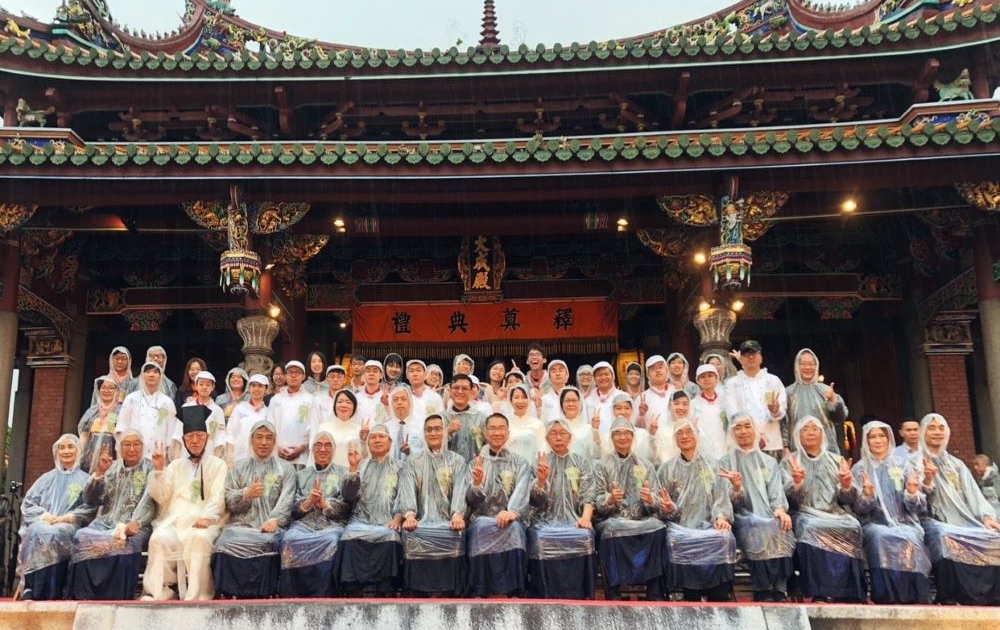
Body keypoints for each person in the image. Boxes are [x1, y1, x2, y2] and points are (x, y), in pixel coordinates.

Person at [143, 406, 228, 601]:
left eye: (199, 436)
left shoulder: (217, 465)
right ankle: (160, 593)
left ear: (207, 438)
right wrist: (158, 470)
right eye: (190, 437)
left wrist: (207, 517)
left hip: (206, 522)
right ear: (183, 441)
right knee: (158, 539)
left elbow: (218, 496)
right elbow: (162, 496)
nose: (195, 441)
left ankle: (198, 596)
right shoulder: (175, 465)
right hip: (176, 522)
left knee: (197, 538)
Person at [781, 416, 866, 603]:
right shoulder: (790, 461)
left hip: (834, 512)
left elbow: (847, 499)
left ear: (822, 433)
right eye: (805, 429)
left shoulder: (837, 460)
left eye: (815, 428)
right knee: (811, 527)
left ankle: (851, 591)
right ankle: (819, 591)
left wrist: (845, 485)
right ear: (797, 435)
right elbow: (787, 500)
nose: (811, 432)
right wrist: (796, 483)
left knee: (853, 526)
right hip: (804, 513)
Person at [919, 413, 1000, 605]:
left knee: (994, 537)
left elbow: (974, 495)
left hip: (964, 519)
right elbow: (914, 499)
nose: (937, 432)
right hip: (932, 520)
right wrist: (927, 481)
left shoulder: (957, 464)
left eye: (941, 428)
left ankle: (991, 596)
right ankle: (951, 594)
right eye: (932, 428)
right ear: (923, 432)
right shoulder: (914, 461)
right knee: (945, 536)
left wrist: (986, 516)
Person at [212, 419, 296, 598]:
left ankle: (263, 595)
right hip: (240, 526)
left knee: (268, 543)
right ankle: (227, 594)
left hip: (270, 527)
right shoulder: (238, 467)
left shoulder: (286, 469)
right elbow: (227, 499)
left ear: (274, 442)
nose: (264, 442)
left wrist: (274, 520)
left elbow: (287, 499)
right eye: (259, 437)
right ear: (251, 440)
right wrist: (245, 494)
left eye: (268, 438)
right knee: (223, 543)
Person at [67, 429, 155, 600]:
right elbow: (92, 499)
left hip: (137, 523)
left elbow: (149, 500)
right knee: (82, 536)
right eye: (127, 445)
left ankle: (118, 597)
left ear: (142, 447)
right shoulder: (112, 467)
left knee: (126, 542)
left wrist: (137, 521)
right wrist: (99, 474)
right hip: (106, 521)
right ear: (120, 448)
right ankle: (84, 594)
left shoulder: (149, 467)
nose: (131, 449)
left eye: (136, 444)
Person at [656, 420, 737, 602]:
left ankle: (719, 593)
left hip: (709, 523)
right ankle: (689, 593)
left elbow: (721, 496)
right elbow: (662, 507)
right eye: (680, 433)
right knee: (677, 540)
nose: (685, 436)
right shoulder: (667, 469)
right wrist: (669, 509)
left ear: (696, 436)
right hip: (681, 526)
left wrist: (721, 517)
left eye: (688, 432)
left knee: (724, 537)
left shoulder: (713, 465)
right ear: (675, 440)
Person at [851, 421, 931, 604]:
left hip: (905, 522)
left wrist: (911, 492)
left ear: (889, 439)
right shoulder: (860, 468)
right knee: (882, 538)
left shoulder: (903, 465)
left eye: (881, 436)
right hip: (874, 523)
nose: (877, 440)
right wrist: (868, 496)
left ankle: (915, 595)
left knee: (911, 538)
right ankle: (887, 596)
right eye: (872, 437)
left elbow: (919, 508)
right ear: (866, 441)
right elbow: (858, 509)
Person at [718, 412, 795, 602]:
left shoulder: (769, 462)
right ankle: (762, 588)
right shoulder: (725, 463)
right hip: (743, 518)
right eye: (738, 427)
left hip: (768, 515)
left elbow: (777, 493)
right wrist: (736, 488)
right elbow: (726, 502)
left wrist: (779, 509)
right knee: (757, 525)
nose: (743, 431)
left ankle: (779, 588)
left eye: (747, 426)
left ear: (755, 430)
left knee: (780, 525)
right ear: (731, 432)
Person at [592, 417, 665, 601]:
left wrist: (649, 499)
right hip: (612, 520)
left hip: (641, 519)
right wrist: (609, 500)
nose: (622, 437)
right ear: (611, 437)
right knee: (611, 530)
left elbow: (656, 499)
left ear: (633, 437)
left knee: (658, 527)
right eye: (617, 433)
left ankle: (654, 591)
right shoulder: (601, 465)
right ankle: (614, 591)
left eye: (626, 433)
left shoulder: (645, 465)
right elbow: (596, 500)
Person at [397, 414, 469, 595]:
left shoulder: (457, 460)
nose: (434, 433)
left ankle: (450, 591)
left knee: (455, 531)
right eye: (429, 430)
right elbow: (406, 488)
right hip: (421, 518)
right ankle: (417, 591)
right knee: (412, 531)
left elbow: (461, 488)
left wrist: (457, 514)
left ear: (445, 432)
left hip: (448, 518)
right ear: (424, 433)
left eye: (438, 429)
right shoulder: (414, 461)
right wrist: (410, 514)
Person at [16, 434, 93, 600]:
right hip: (46, 522)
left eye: (70, 446)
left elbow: (90, 507)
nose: (66, 451)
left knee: (56, 534)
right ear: (56, 452)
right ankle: (31, 588)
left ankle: (53, 589)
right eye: (62, 447)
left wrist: (68, 517)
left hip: (69, 525)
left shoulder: (86, 480)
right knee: (36, 530)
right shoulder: (46, 478)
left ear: (78, 450)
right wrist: (44, 516)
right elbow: (28, 503)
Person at [527, 418, 597, 599]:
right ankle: (544, 593)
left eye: (562, 433)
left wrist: (586, 518)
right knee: (540, 536)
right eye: (553, 433)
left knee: (585, 535)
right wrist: (541, 481)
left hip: (574, 519)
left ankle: (581, 593)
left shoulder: (581, 462)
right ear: (547, 439)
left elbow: (589, 494)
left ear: (570, 438)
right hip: (544, 520)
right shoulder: (539, 463)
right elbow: (533, 501)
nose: (558, 437)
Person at [465, 413, 533, 597]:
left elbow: (522, 490)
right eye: (492, 428)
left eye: (501, 428)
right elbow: (470, 501)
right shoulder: (475, 463)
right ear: (485, 433)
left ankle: (514, 589)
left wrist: (512, 512)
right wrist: (477, 484)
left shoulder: (521, 463)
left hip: (510, 517)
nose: (497, 432)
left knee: (515, 529)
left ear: (508, 433)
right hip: (482, 517)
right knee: (480, 526)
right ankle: (480, 589)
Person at [278, 429, 351, 597]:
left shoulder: (343, 473)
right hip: (303, 524)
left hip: (331, 525)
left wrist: (325, 504)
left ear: (333, 450)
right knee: (289, 540)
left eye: (327, 445)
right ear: (312, 450)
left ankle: (326, 594)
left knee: (331, 540)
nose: (323, 449)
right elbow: (291, 506)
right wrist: (308, 502)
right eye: (318, 445)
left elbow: (347, 506)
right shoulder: (301, 474)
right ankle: (292, 595)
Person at [338, 424, 405, 595]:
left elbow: (405, 496)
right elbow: (347, 496)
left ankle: (385, 589)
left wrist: (398, 518)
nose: (377, 440)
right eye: (373, 437)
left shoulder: (400, 467)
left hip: (387, 520)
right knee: (349, 534)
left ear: (390, 443)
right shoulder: (360, 465)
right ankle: (354, 590)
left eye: (381, 436)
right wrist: (353, 470)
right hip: (360, 520)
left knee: (390, 535)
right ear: (367, 444)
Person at [725, 340, 786, 458]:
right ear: (741, 359)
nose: (750, 357)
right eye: (746, 354)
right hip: (744, 444)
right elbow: (733, 414)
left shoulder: (773, 380)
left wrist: (775, 411)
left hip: (771, 442)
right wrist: (755, 436)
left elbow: (782, 409)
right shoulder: (732, 384)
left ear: (761, 358)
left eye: (754, 353)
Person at [785, 349, 848, 455]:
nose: (808, 367)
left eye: (811, 364)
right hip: (798, 453)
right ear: (797, 367)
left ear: (816, 366)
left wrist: (833, 400)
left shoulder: (826, 391)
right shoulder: (788, 393)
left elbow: (840, 418)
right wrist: (785, 447)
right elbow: (783, 423)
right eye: (803, 364)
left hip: (826, 451)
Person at [117, 361, 179, 462]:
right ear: (142, 375)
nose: (151, 375)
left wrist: (169, 455)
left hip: (159, 454)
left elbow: (171, 431)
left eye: (155, 372)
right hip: (133, 454)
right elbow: (122, 426)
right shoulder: (131, 398)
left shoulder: (167, 402)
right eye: (148, 372)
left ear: (160, 376)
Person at [267, 360, 315, 468]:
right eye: (290, 372)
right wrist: (276, 447)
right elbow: (269, 425)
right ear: (285, 376)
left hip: (302, 456)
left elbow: (312, 426)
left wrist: (302, 447)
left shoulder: (311, 400)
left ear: (303, 377)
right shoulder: (276, 400)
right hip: (278, 454)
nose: (293, 375)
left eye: (297, 372)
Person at [177, 371, 227, 459]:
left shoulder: (218, 410)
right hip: (187, 455)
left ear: (213, 387)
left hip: (210, 455)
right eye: (201, 384)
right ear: (195, 386)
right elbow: (177, 434)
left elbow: (220, 436)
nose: (204, 387)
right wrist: (176, 457)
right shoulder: (186, 407)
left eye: (208, 385)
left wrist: (216, 458)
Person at [78, 376, 122, 473]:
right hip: (89, 459)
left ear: (117, 391)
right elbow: (83, 437)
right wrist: (79, 457)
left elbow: (123, 438)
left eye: (111, 388)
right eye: (103, 387)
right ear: (98, 390)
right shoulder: (91, 411)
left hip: (112, 458)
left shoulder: (121, 411)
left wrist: (120, 462)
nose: (107, 390)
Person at [313, 389, 366, 468]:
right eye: (340, 402)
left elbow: (365, 458)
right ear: (334, 406)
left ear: (354, 407)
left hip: (351, 475)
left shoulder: (360, 431)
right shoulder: (323, 428)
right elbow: (315, 456)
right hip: (328, 476)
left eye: (348, 402)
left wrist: (364, 441)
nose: (343, 405)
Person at [227, 374, 270, 467]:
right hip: (238, 458)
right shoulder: (240, 408)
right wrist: (229, 457)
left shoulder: (269, 412)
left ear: (266, 389)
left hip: (261, 461)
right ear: (249, 388)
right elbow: (230, 433)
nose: (256, 389)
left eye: (260, 386)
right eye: (253, 385)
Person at [445, 374, 487, 461]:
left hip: (475, 468)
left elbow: (489, 446)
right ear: (449, 390)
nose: (460, 391)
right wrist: (446, 432)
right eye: (456, 388)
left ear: (472, 392)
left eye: (464, 388)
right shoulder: (440, 418)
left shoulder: (481, 418)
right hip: (447, 470)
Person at [691, 364, 728, 460]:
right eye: (703, 377)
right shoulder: (693, 404)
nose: (706, 379)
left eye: (710, 376)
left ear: (717, 378)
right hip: (702, 453)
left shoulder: (725, 401)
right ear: (697, 381)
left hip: (724, 449)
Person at [505, 384, 547, 463]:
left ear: (529, 400)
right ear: (510, 400)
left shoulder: (538, 424)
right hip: (508, 468)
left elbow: (542, 448)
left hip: (531, 469)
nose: (520, 401)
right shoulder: (505, 423)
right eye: (516, 397)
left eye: (524, 397)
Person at [586, 361, 627, 432]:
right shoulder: (587, 400)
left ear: (613, 376)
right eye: (599, 375)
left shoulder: (624, 396)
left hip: (619, 439)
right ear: (594, 379)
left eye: (606, 374)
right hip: (595, 440)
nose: (603, 377)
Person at [559, 386, 597, 460]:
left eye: (574, 400)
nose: (571, 404)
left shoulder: (588, 428)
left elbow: (596, 455)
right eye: (567, 401)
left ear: (580, 403)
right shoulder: (556, 428)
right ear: (561, 404)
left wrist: (595, 431)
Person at [385, 385, 423, 460]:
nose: (399, 402)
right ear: (391, 404)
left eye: (403, 399)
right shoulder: (385, 428)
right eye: (395, 400)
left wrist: (410, 453)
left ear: (410, 403)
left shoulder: (421, 426)